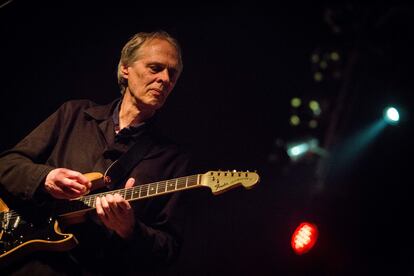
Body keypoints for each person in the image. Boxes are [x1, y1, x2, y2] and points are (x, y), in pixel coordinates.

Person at [0, 31, 190, 275]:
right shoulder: (75, 114)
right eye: (155, 68)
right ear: (125, 69)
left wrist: (130, 229)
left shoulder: (172, 158)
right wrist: (45, 179)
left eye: (172, 73)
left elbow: (168, 250)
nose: (165, 79)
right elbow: (6, 164)